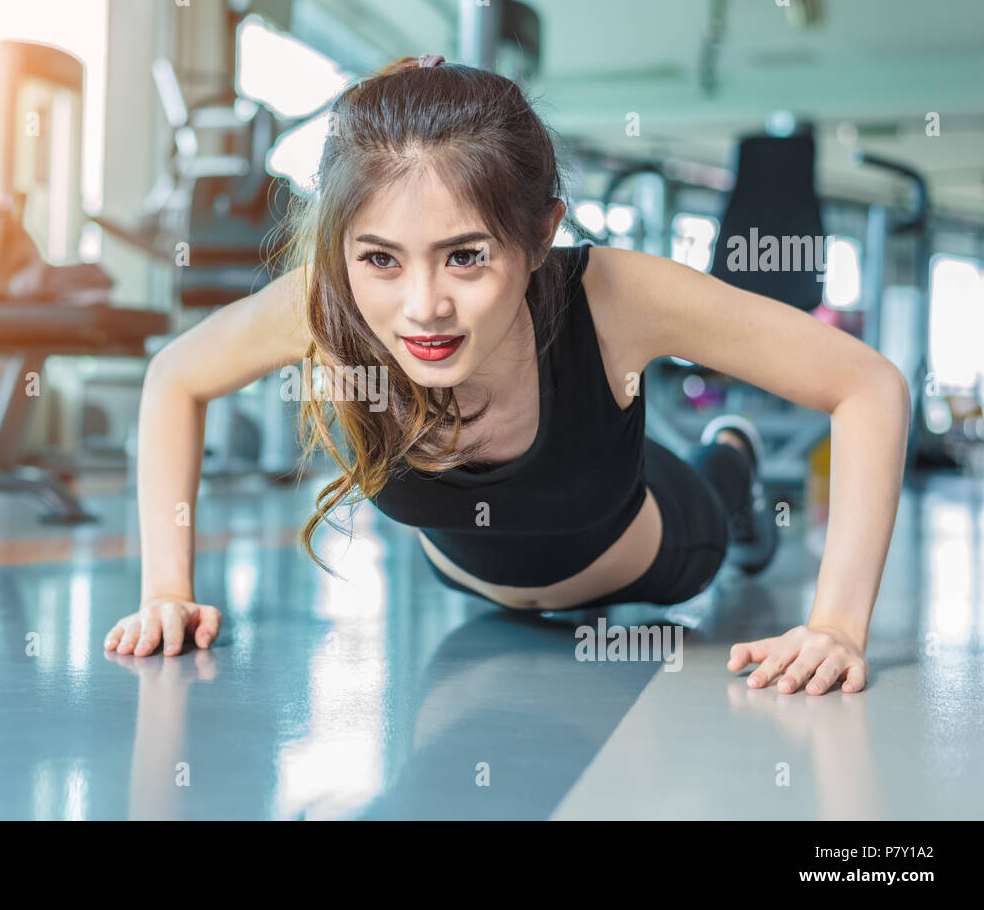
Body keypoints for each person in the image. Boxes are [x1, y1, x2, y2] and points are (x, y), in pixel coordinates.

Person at [104, 54, 910, 696]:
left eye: (466, 256)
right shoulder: (331, 302)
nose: (424, 307)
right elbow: (177, 374)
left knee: (719, 481)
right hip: (482, 591)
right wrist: (165, 586)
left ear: (539, 235)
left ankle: (729, 451)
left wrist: (837, 624)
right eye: (381, 257)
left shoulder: (617, 295)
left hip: (660, 552)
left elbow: (867, 384)